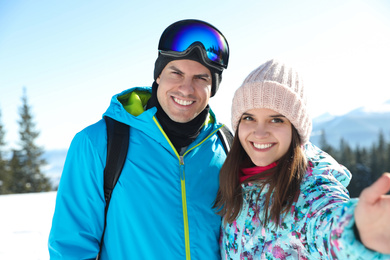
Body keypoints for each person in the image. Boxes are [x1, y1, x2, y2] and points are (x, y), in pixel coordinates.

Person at [48, 19, 230, 259]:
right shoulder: (99, 143)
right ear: (158, 76)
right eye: (176, 73)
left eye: (201, 78)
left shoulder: (227, 147)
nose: (186, 89)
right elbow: (71, 247)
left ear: (213, 88)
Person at [213, 59, 390, 259]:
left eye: (276, 120)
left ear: (295, 129)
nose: (259, 132)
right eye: (249, 118)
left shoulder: (309, 189)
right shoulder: (236, 181)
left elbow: (326, 222)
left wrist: (358, 229)